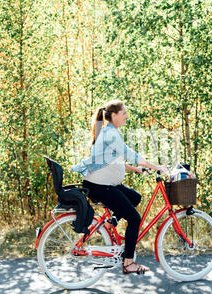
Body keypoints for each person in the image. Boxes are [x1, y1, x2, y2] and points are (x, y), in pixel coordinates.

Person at [71, 99, 167, 275]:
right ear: (113, 115)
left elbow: (113, 159)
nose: (126, 117)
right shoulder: (110, 134)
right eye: (124, 113)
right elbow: (131, 154)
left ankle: (110, 223)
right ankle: (128, 263)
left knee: (135, 197)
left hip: (103, 183)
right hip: (101, 186)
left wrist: (135, 169)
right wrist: (159, 167)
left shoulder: (108, 132)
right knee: (135, 219)